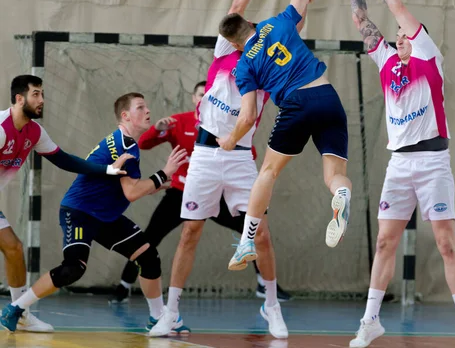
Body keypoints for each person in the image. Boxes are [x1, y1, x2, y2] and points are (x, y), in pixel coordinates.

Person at [149, 0, 291, 339]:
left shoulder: (265, 70)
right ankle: (170, 312)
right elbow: (235, 5)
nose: (246, 29)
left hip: (241, 158)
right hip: (207, 156)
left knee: (259, 233)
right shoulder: (225, 52)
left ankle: (272, 307)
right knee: (190, 231)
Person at [339, 0, 455, 347]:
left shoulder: (430, 60)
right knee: (385, 242)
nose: (400, 36)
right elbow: (361, 21)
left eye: (406, 32)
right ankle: (370, 322)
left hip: (432, 161)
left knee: (447, 242)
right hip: (400, 163)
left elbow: (397, 10)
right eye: (396, 34)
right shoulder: (385, 61)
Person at [0, 92, 188, 334]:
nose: (147, 111)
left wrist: (154, 184)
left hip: (104, 215)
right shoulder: (124, 145)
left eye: (147, 107)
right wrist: (163, 173)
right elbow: (131, 192)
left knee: (148, 256)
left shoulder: (125, 142)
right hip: (79, 212)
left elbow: (130, 188)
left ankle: (157, 317)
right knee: (73, 268)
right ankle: (16, 309)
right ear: (125, 115)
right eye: (140, 107)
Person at [217, 0, 353, 275]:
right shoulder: (276, 24)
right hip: (328, 96)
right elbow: (299, 3)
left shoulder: (243, 66)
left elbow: (248, 115)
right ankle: (342, 194)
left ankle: (246, 242)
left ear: (236, 45)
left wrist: (230, 139)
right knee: (334, 175)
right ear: (250, 22)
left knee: (267, 172)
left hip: (296, 104)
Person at [109, 81, 291, 304]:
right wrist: (157, 129)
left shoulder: (229, 125)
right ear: (195, 99)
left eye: (208, 93)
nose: (205, 97)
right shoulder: (179, 121)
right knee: (151, 236)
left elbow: (246, 151)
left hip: (217, 193)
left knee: (252, 230)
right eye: (201, 94)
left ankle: (265, 285)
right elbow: (145, 144)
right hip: (181, 193)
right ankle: (124, 285)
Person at [0, 75, 130, 333]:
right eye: (36, 94)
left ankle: (20, 313)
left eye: (42, 94)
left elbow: (63, 159)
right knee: (13, 247)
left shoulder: (34, 131)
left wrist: (106, 170)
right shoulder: (1, 129)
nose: (42, 100)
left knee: (14, 249)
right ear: (19, 98)